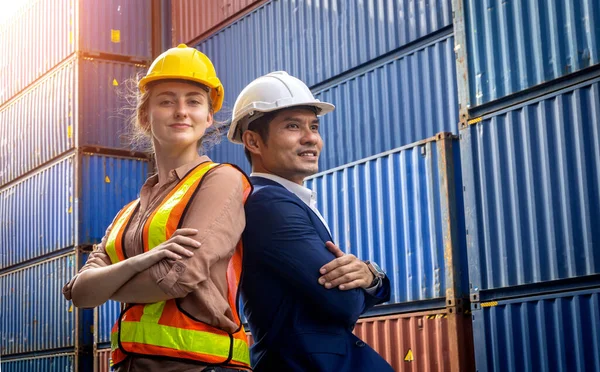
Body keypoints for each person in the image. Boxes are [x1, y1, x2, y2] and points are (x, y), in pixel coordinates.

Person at [62, 44, 252, 372]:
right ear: (145, 116)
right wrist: (143, 260)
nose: (181, 111)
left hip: (204, 367)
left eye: (193, 101)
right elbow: (79, 294)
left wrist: (108, 285)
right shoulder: (127, 214)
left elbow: (179, 278)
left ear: (208, 117)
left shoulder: (222, 181)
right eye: (166, 101)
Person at [227, 71, 393, 371]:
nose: (311, 138)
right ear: (252, 140)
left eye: (314, 126)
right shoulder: (269, 204)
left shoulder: (286, 199)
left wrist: (371, 276)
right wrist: (368, 282)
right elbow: (343, 304)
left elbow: (358, 293)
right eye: (293, 126)